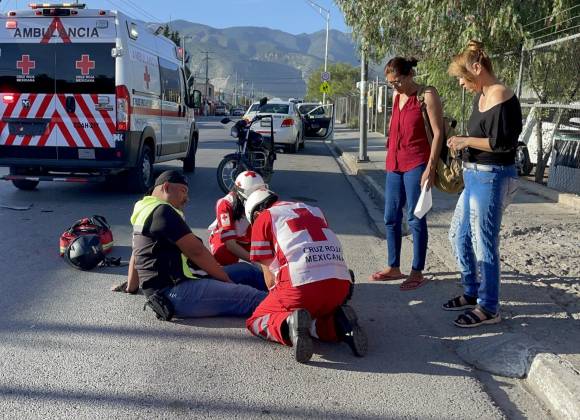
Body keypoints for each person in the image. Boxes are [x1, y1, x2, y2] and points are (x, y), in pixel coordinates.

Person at [445, 40, 521, 327]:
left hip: (492, 176)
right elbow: (483, 137)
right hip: (473, 173)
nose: (463, 84)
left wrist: (465, 140)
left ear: (477, 69)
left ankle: (489, 307)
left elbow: (502, 143)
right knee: (458, 235)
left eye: (464, 78)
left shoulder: (501, 94)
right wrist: (462, 143)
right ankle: (472, 291)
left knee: (483, 241)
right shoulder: (482, 96)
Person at [244, 189, 367, 363]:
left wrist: (280, 303)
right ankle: (339, 326)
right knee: (315, 317)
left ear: (255, 213)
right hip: (340, 286)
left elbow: (270, 280)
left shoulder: (264, 217)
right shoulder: (314, 210)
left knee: (255, 320)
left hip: (300, 288)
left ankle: (288, 325)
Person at [123, 170, 267, 318]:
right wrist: (226, 281)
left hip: (184, 282)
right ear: (166, 187)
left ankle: (283, 288)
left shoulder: (144, 209)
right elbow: (196, 251)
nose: (187, 198)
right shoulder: (163, 211)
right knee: (250, 297)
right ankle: (287, 309)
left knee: (246, 271)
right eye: (183, 191)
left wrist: (131, 287)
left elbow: (136, 252)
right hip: (175, 292)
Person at [369, 57, 445, 290]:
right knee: (391, 217)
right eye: (391, 83)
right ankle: (394, 266)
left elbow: (439, 133)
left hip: (417, 163)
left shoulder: (426, 95)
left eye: (397, 81)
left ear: (409, 74)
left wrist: (430, 168)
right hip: (394, 163)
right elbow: (396, 124)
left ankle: (417, 270)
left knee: (415, 217)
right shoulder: (396, 96)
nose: (395, 86)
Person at [208, 170, 266, 266]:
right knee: (223, 256)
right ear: (240, 194)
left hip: (249, 239)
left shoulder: (265, 200)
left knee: (271, 255)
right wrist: (257, 263)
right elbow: (230, 244)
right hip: (228, 239)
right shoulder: (225, 204)